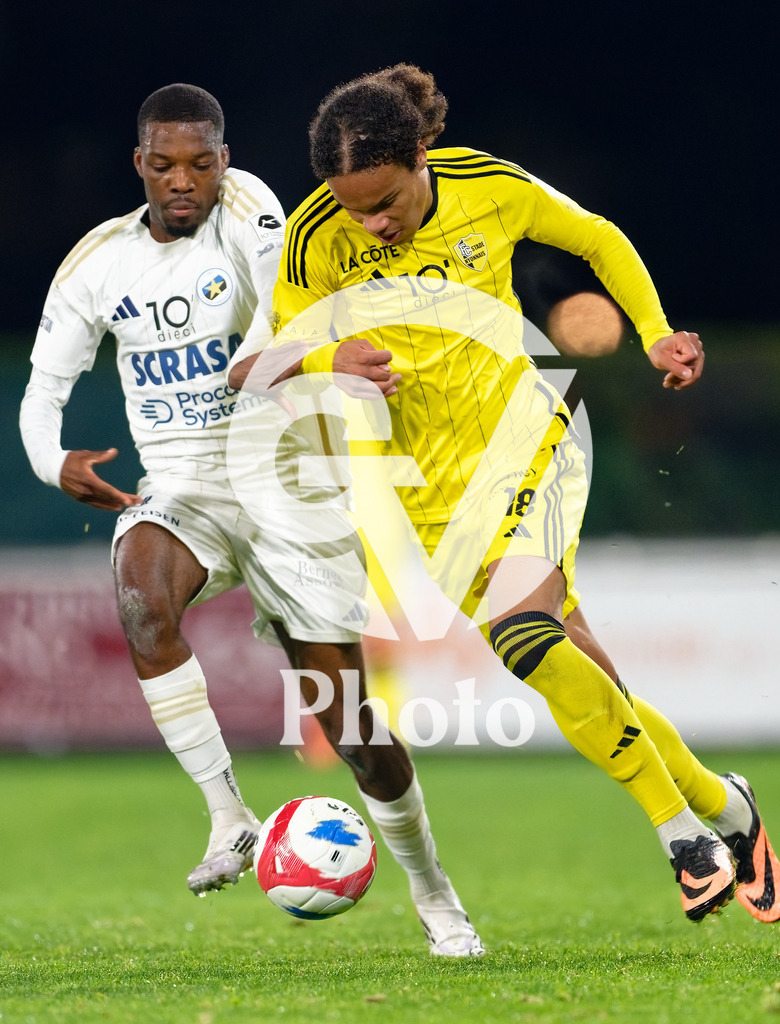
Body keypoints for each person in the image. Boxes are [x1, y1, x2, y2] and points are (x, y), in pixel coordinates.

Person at [227, 64, 780, 925]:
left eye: (384, 202)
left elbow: (597, 238)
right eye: (353, 208)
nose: (371, 224)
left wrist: (654, 332)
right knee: (584, 677)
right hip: (427, 499)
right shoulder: (314, 241)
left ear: (421, 156)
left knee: (523, 638)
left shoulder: (487, 186)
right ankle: (727, 807)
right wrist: (322, 358)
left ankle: (682, 837)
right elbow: (254, 368)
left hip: (526, 444)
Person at [18, 83, 485, 957]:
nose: (184, 180)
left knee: (352, 731)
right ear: (140, 166)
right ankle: (229, 816)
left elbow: (280, 321)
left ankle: (436, 896)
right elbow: (44, 394)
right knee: (139, 598)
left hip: (284, 478)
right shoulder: (96, 265)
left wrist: (312, 358)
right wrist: (55, 462)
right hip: (184, 484)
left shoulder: (255, 212)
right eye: (165, 166)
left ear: (223, 160)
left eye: (201, 162)